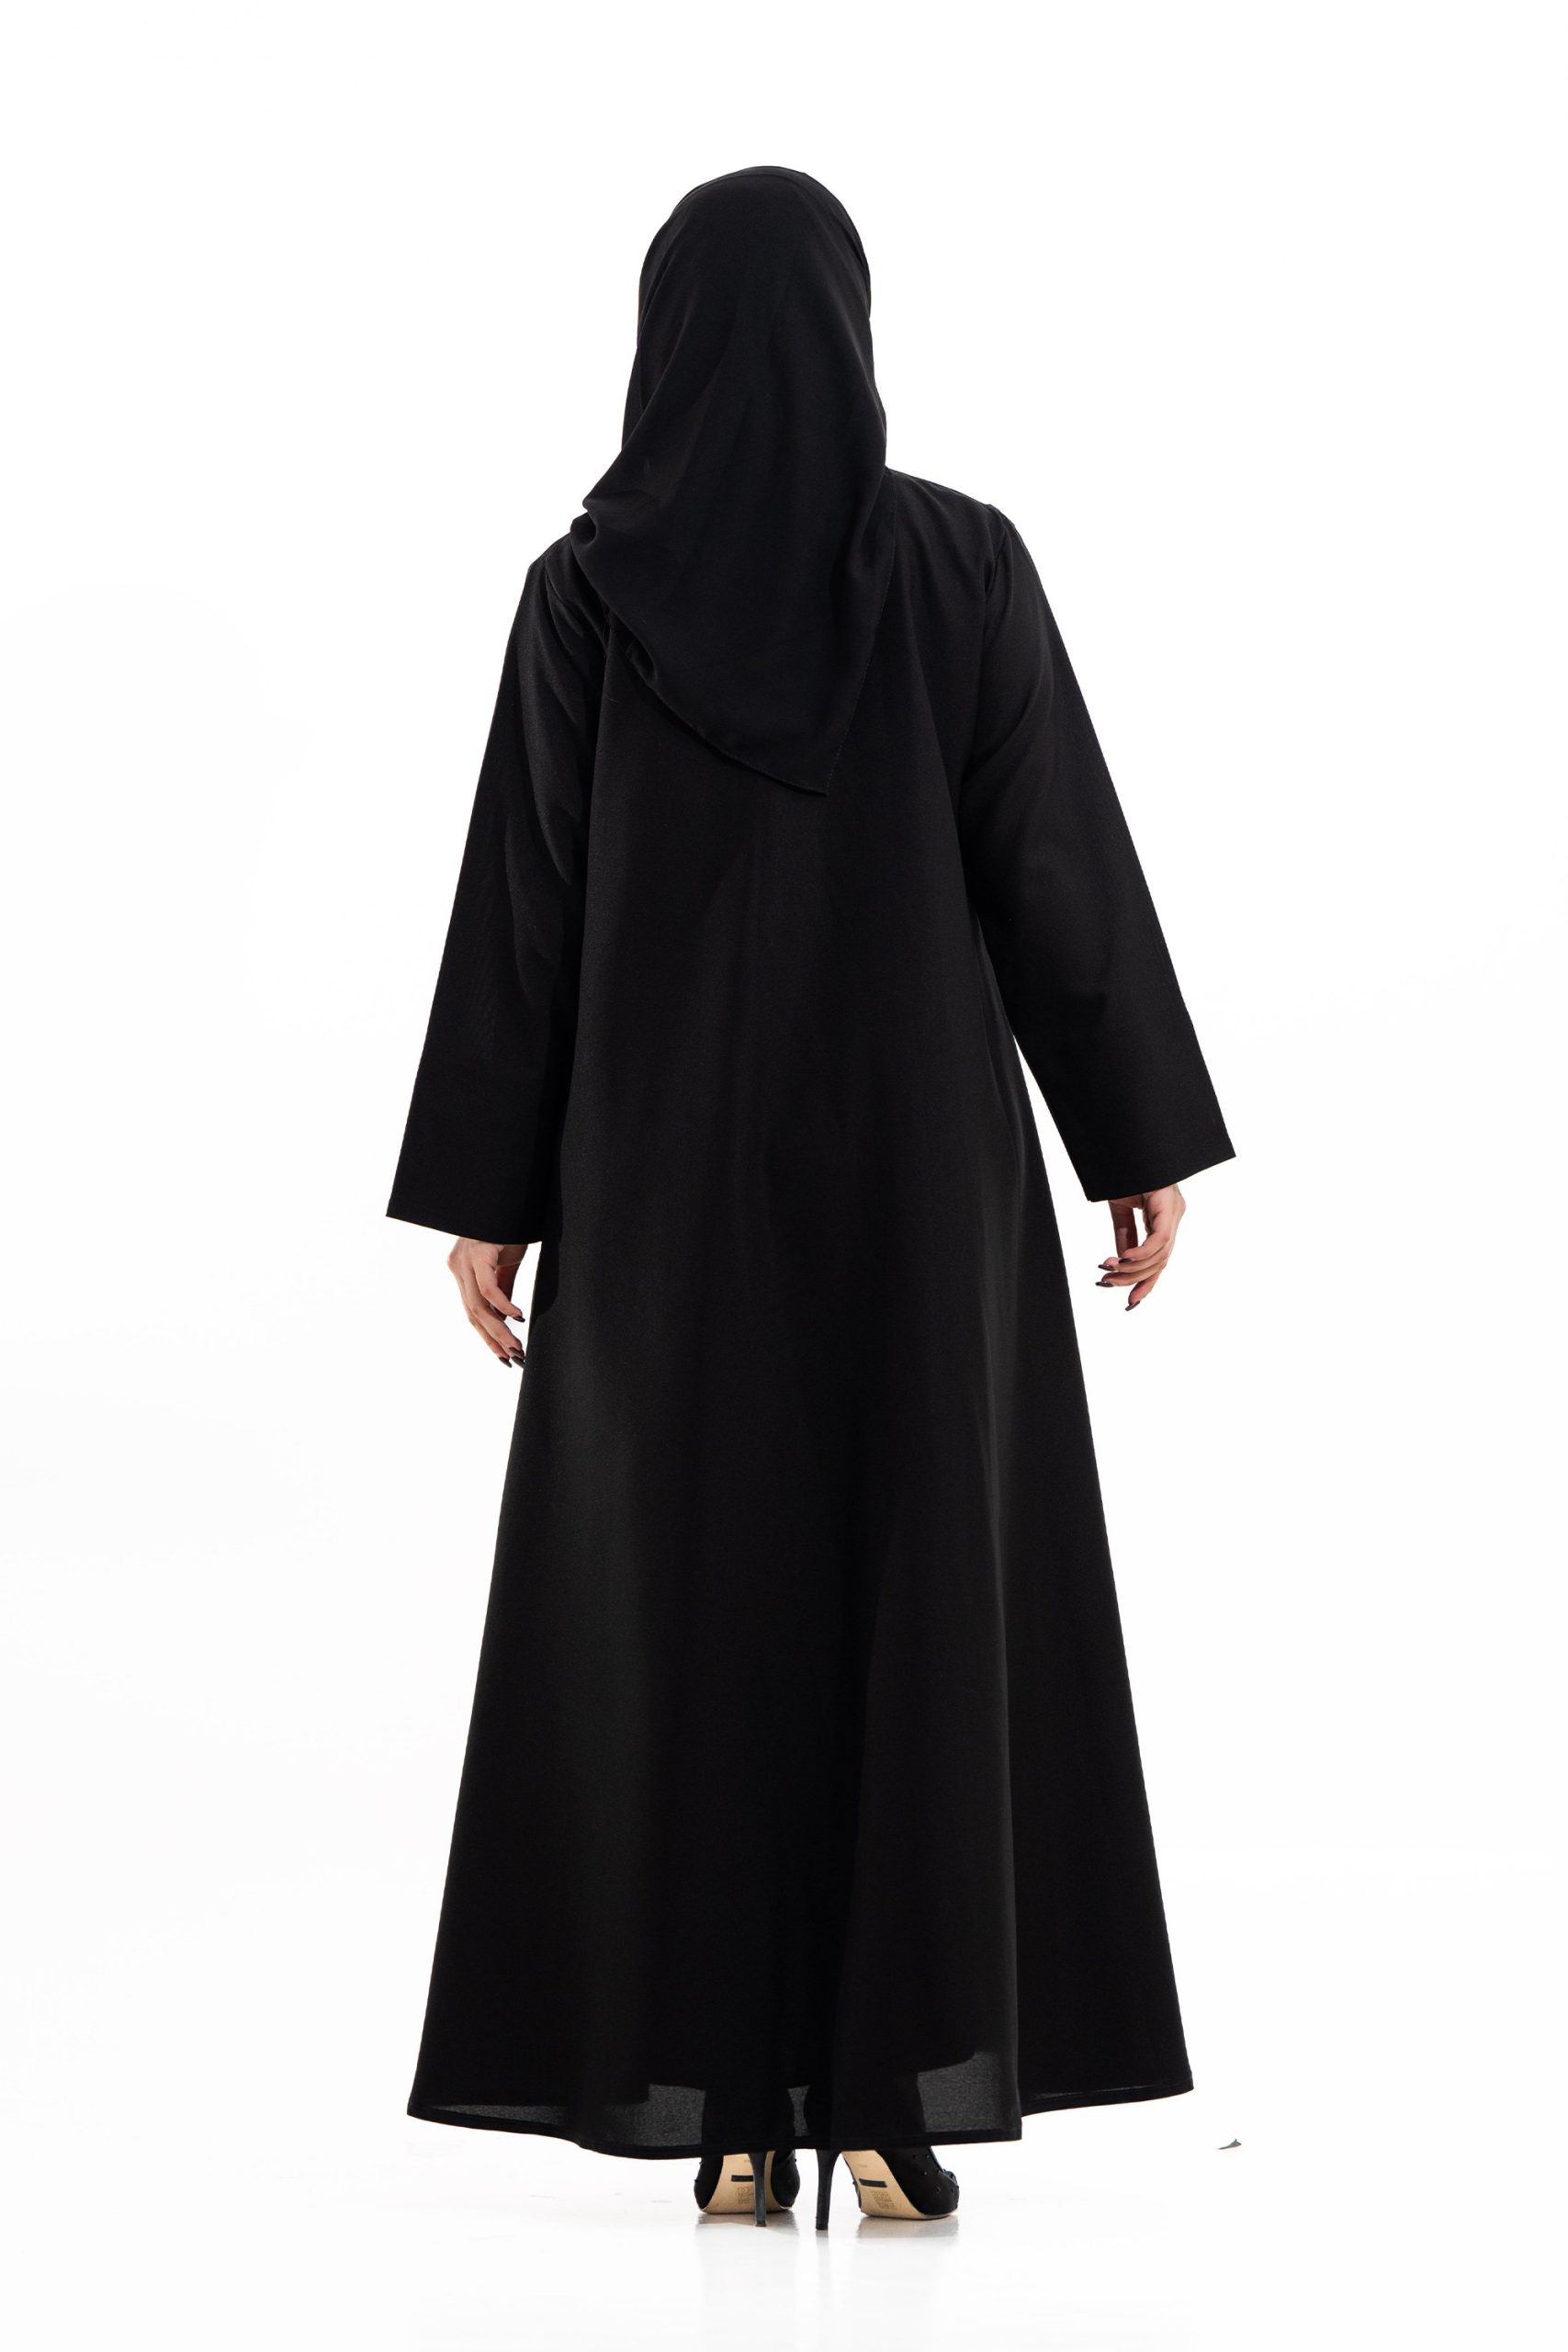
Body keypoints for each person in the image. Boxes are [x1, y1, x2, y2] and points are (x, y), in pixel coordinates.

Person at [388, 166, 1234, 2231]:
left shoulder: (585, 596)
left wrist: (491, 1193)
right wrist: (1129, 1131)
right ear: (849, 329)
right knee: (911, 1594)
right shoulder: (954, 564)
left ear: (662, 334)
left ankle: (728, 2115)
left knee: (684, 1607)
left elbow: (531, 910)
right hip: (919, 1182)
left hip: (659, 1190)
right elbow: (1048, 862)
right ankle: (885, 2100)